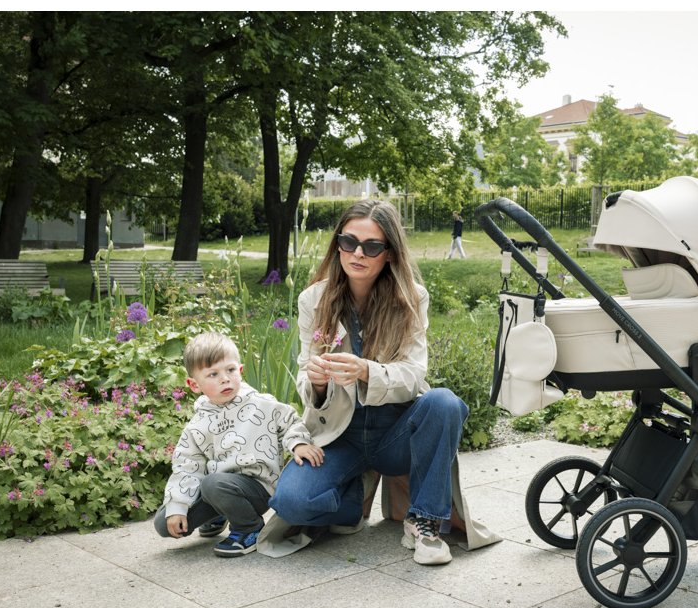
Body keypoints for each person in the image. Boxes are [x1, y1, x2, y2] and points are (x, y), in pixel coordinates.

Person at [268, 199, 469, 565]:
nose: (357, 253)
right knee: (292, 502)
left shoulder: (412, 298)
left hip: (395, 433)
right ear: (338, 245)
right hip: (338, 436)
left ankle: (423, 520)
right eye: (348, 242)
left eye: (371, 246)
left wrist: (366, 371)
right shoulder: (313, 299)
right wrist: (316, 382)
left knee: (445, 402)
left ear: (389, 253)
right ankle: (351, 504)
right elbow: (304, 372)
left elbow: (414, 375)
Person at [154, 331, 324, 557]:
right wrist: (177, 506)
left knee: (213, 483)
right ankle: (222, 511)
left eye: (231, 370)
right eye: (213, 374)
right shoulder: (197, 425)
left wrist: (299, 443)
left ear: (240, 371)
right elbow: (186, 466)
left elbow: (290, 421)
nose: (225, 378)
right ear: (193, 384)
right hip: (220, 487)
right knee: (164, 523)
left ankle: (249, 529)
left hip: (257, 487)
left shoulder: (261, 404)